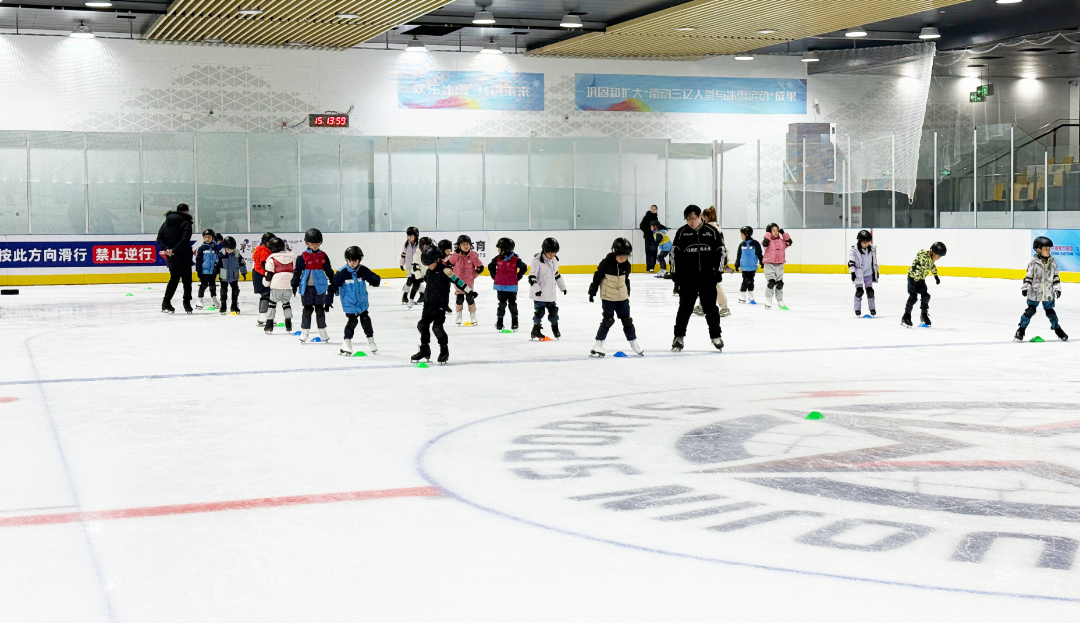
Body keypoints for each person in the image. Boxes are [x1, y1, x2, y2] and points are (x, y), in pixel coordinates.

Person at [671, 205, 725, 352]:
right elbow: (674, 254)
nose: (690, 222)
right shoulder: (682, 233)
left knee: (711, 309)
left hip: (708, 278)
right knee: (684, 309)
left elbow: (721, 252)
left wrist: (718, 272)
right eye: (688, 219)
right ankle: (678, 337)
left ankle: (716, 336)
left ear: (700, 216)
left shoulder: (712, 232)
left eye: (693, 218)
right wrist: (675, 274)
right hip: (688, 279)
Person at [412, 245, 472, 365]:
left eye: (430, 263)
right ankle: (425, 349)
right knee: (422, 325)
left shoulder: (445, 271)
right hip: (428, 304)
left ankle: (444, 350)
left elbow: (457, 280)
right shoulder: (430, 271)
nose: (429, 266)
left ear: (438, 259)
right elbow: (427, 281)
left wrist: (469, 291)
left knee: (437, 328)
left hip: (440, 305)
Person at [588, 237, 642, 357]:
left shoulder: (627, 265)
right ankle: (598, 343)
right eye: (621, 256)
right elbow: (597, 277)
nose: (623, 258)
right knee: (608, 320)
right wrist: (592, 291)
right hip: (608, 297)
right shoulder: (606, 263)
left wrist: (628, 292)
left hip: (622, 297)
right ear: (614, 252)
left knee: (627, 320)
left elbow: (626, 279)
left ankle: (634, 343)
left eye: (626, 256)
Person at [1015, 236, 1067, 342]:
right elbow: (1028, 277)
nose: (1048, 251)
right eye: (1046, 249)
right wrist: (1025, 288)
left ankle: (1057, 329)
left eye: (1049, 249)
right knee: (1030, 311)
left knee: (1051, 313)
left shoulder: (1053, 263)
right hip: (1034, 292)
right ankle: (1021, 329)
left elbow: (1055, 277)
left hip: (1048, 292)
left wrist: (1057, 288)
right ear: (1038, 250)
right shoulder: (1033, 264)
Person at [332, 246, 382, 355]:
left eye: (354, 260)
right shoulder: (342, 272)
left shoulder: (362, 270)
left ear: (359, 260)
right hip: (349, 303)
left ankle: (370, 339)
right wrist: (328, 298)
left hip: (362, 302)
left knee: (366, 319)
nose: (352, 263)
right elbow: (333, 285)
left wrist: (375, 280)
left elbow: (372, 277)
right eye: (349, 260)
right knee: (352, 321)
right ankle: (347, 342)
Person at [292, 228, 336, 344]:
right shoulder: (303, 256)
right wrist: (294, 283)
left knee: (320, 309)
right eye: (312, 243)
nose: (315, 245)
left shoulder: (323, 256)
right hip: (306, 288)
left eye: (317, 243)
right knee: (307, 310)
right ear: (307, 243)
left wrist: (334, 281)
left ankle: (323, 331)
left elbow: (328, 270)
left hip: (320, 287)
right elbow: (297, 272)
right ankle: (304, 331)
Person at [156, 203, 195, 314]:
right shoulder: (186, 223)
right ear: (187, 211)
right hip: (184, 255)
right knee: (187, 281)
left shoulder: (165, 223)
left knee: (173, 279)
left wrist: (167, 249)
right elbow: (185, 239)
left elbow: (159, 239)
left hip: (171, 257)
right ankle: (187, 304)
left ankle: (166, 303)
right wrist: (174, 250)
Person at [529, 237, 568, 341]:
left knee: (553, 311)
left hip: (550, 293)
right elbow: (532, 277)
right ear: (544, 251)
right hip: (539, 294)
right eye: (550, 254)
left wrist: (562, 287)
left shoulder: (554, 260)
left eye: (554, 254)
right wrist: (537, 289)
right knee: (540, 312)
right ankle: (536, 329)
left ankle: (555, 327)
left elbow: (557, 275)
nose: (552, 256)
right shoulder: (536, 261)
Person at [902, 242, 946, 328]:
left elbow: (932, 266)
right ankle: (906, 315)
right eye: (939, 256)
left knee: (926, 296)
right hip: (913, 279)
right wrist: (916, 280)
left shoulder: (930, 259)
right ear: (933, 252)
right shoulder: (922, 258)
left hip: (920, 279)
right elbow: (916, 267)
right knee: (913, 297)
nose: (939, 258)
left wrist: (936, 276)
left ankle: (924, 314)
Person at [488, 237, 528, 332]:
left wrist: (517, 277)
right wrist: (495, 276)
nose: (498, 250)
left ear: (504, 249)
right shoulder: (497, 259)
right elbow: (490, 266)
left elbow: (524, 268)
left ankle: (514, 322)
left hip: (511, 287)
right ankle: (499, 323)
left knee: (512, 304)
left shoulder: (515, 259)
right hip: (500, 286)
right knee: (502, 304)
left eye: (499, 248)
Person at [701, 207, 732, 318]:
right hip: (713, 259)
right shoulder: (716, 227)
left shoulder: (710, 228)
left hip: (713, 260)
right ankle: (701, 306)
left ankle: (724, 307)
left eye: (702, 217)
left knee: (714, 284)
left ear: (706, 217)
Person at [261, 237, 296, 334]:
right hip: (289, 285)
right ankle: (288, 323)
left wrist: (266, 284)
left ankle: (269, 324)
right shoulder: (292, 258)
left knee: (272, 304)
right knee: (286, 304)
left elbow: (269, 275)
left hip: (276, 285)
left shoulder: (271, 259)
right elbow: (296, 271)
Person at [449, 235, 484, 326]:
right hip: (458, 281)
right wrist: (453, 277)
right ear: (459, 245)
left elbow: (480, 267)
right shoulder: (455, 255)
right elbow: (448, 265)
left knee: (470, 298)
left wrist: (473, 275)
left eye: (467, 244)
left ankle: (473, 315)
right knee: (460, 298)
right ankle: (458, 316)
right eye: (463, 244)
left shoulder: (472, 255)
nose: (466, 246)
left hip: (469, 281)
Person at [762, 223, 793, 310]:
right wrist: (767, 235)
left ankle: (780, 300)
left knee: (780, 283)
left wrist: (784, 234)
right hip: (769, 265)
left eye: (777, 230)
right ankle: (768, 299)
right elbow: (764, 245)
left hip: (779, 265)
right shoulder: (767, 241)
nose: (775, 233)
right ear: (769, 232)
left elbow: (789, 242)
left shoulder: (782, 242)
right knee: (771, 283)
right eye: (773, 231)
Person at [849, 229, 879, 317]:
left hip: (869, 274)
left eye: (868, 242)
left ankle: (872, 309)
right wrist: (852, 272)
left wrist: (876, 271)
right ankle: (857, 309)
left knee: (870, 291)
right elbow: (851, 262)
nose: (866, 244)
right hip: (859, 274)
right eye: (864, 242)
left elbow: (874, 261)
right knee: (859, 291)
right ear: (859, 241)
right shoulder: (854, 250)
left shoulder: (872, 249)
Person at [216, 236, 247, 315]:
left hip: (234, 274)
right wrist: (215, 272)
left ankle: (234, 305)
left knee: (235, 290)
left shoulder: (237, 254)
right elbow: (217, 264)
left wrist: (243, 272)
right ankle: (223, 306)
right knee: (223, 290)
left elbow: (241, 263)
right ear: (225, 247)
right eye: (228, 249)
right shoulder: (221, 254)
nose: (230, 251)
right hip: (224, 274)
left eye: (231, 249)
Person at [734, 226, 763, 304]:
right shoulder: (741, 245)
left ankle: (750, 295)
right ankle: (742, 296)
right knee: (745, 280)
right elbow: (739, 255)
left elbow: (759, 254)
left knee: (751, 281)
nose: (741, 236)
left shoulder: (755, 244)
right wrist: (737, 265)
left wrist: (761, 262)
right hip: (744, 267)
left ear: (747, 234)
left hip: (752, 267)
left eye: (742, 234)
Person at [252, 232, 274, 326]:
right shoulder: (264, 251)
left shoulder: (263, 249)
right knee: (266, 295)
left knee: (266, 295)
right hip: (261, 275)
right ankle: (263, 316)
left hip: (259, 275)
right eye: (270, 242)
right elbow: (264, 264)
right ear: (265, 242)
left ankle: (263, 316)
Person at [195, 229, 219, 310]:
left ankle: (214, 299)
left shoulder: (215, 248)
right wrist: (198, 270)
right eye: (205, 237)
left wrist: (217, 268)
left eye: (209, 237)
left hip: (212, 270)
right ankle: (200, 299)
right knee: (203, 285)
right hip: (204, 271)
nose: (207, 239)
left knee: (212, 285)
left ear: (212, 237)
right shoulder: (202, 248)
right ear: (203, 238)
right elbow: (198, 260)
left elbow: (217, 258)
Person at [407, 237, 434, 308]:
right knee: (416, 285)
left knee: (433, 287)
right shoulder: (417, 253)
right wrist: (418, 277)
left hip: (426, 273)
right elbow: (415, 266)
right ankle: (411, 300)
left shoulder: (431, 253)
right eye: (425, 245)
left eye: (428, 245)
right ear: (421, 245)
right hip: (417, 273)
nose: (427, 246)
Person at [400, 226, 420, 305]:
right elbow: (403, 254)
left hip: (417, 266)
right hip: (409, 266)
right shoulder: (406, 244)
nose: (409, 237)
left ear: (416, 236)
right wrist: (401, 264)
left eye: (411, 236)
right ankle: (405, 295)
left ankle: (422, 294)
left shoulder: (419, 244)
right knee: (410, 281)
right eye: (408, 235)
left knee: (416, 281)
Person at [639, 205, 660, 272]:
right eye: (652, 209)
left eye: (655, 209)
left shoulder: (656, 217)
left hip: (654, 237)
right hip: (648, 237)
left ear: (656, 210)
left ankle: (652, 267)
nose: (653, 210)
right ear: (650, 209)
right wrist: (647, 231)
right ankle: (649, 267)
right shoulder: (647, 216)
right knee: (648, 251)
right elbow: (641, 225)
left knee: (654, 251)